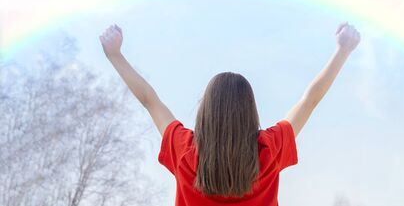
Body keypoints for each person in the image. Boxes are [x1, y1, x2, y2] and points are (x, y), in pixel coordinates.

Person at [99, 22, 360, 206]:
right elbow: (310, 100)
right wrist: (343, 50)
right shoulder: (269, 149)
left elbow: (149, 100)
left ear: (206, 112)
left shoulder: (184, 151)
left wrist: (115, 55)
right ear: (250, 111)